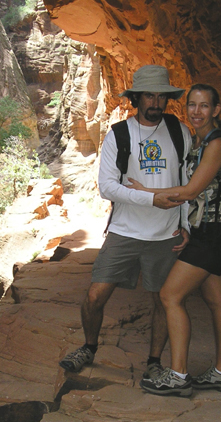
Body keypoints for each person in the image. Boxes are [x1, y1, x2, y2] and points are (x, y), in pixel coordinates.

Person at [59, 64, 192, 380]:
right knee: (95, 295)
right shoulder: (118, 135)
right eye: (149, 95)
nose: (156, 103)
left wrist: (186, 224)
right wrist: (151, 199)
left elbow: (188, 182)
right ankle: (89, 348)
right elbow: (108, 187)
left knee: (162, 300)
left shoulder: (179, 132)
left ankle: (154, 362)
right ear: (136, 97)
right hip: (125, 231)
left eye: (161, 96)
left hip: (165, 233)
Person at [131, 84, 221, 397]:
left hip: (214, 234)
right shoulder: (201, 140)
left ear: (216, 110)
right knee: (218, 301)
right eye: (192, 105)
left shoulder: (217, 143)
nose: (196, 111)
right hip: (213, 230)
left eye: (204, 106)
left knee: (170, 295)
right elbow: (195, 194)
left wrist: (145, 192)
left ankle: (179, 375)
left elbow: (191, 191)